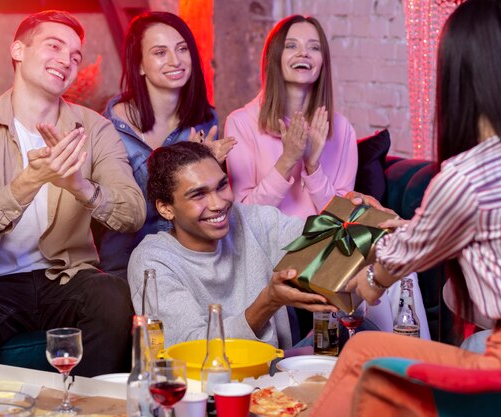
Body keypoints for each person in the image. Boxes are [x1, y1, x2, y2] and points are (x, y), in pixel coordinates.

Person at [311, 1, 501, 415]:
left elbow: (395, 260)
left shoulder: (467, 174)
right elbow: (472, 230)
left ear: (458, 76)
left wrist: (370, 277)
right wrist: (406, 227)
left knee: (363, 355)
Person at [0, 10, 146, 377]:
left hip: (66, 276)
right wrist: (32, 179)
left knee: (112, 296)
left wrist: (79, 186)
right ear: (18, 50)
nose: (66, 60)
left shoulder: (95, 129)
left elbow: (133, 212)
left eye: (75, 55)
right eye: (54, 46)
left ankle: (88, 406)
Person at [127, 141, 337, 349]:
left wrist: (349, 218)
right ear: (166, 208)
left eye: (222, 186)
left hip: (278, 373)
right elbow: (193, 347)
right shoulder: (152, 261)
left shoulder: (249, 218)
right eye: (198, 194)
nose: (218, 204)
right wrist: (268, 302)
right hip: (206, 379)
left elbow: (317, 240)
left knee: (358, 328)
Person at [98, 11, 236, 277]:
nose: (175, 60)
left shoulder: (206, 121)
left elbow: (211, 206)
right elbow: (112, 210)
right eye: (160, 52)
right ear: (139, 65)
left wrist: (206, 171)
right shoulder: (109, 127)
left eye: (182, 49)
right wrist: (184, 175)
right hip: (122, 264)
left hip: (186, 262)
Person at [225, 15, 357, 218]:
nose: (303, 53)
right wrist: (287, 160)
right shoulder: (241, 122)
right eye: (291, 46)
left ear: (323, 62)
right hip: (267, 246)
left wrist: (313, 167)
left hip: (322, 246)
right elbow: (243, 217)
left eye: (314, 47)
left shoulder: (342, 128)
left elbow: (344, 219)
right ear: (274, 56)